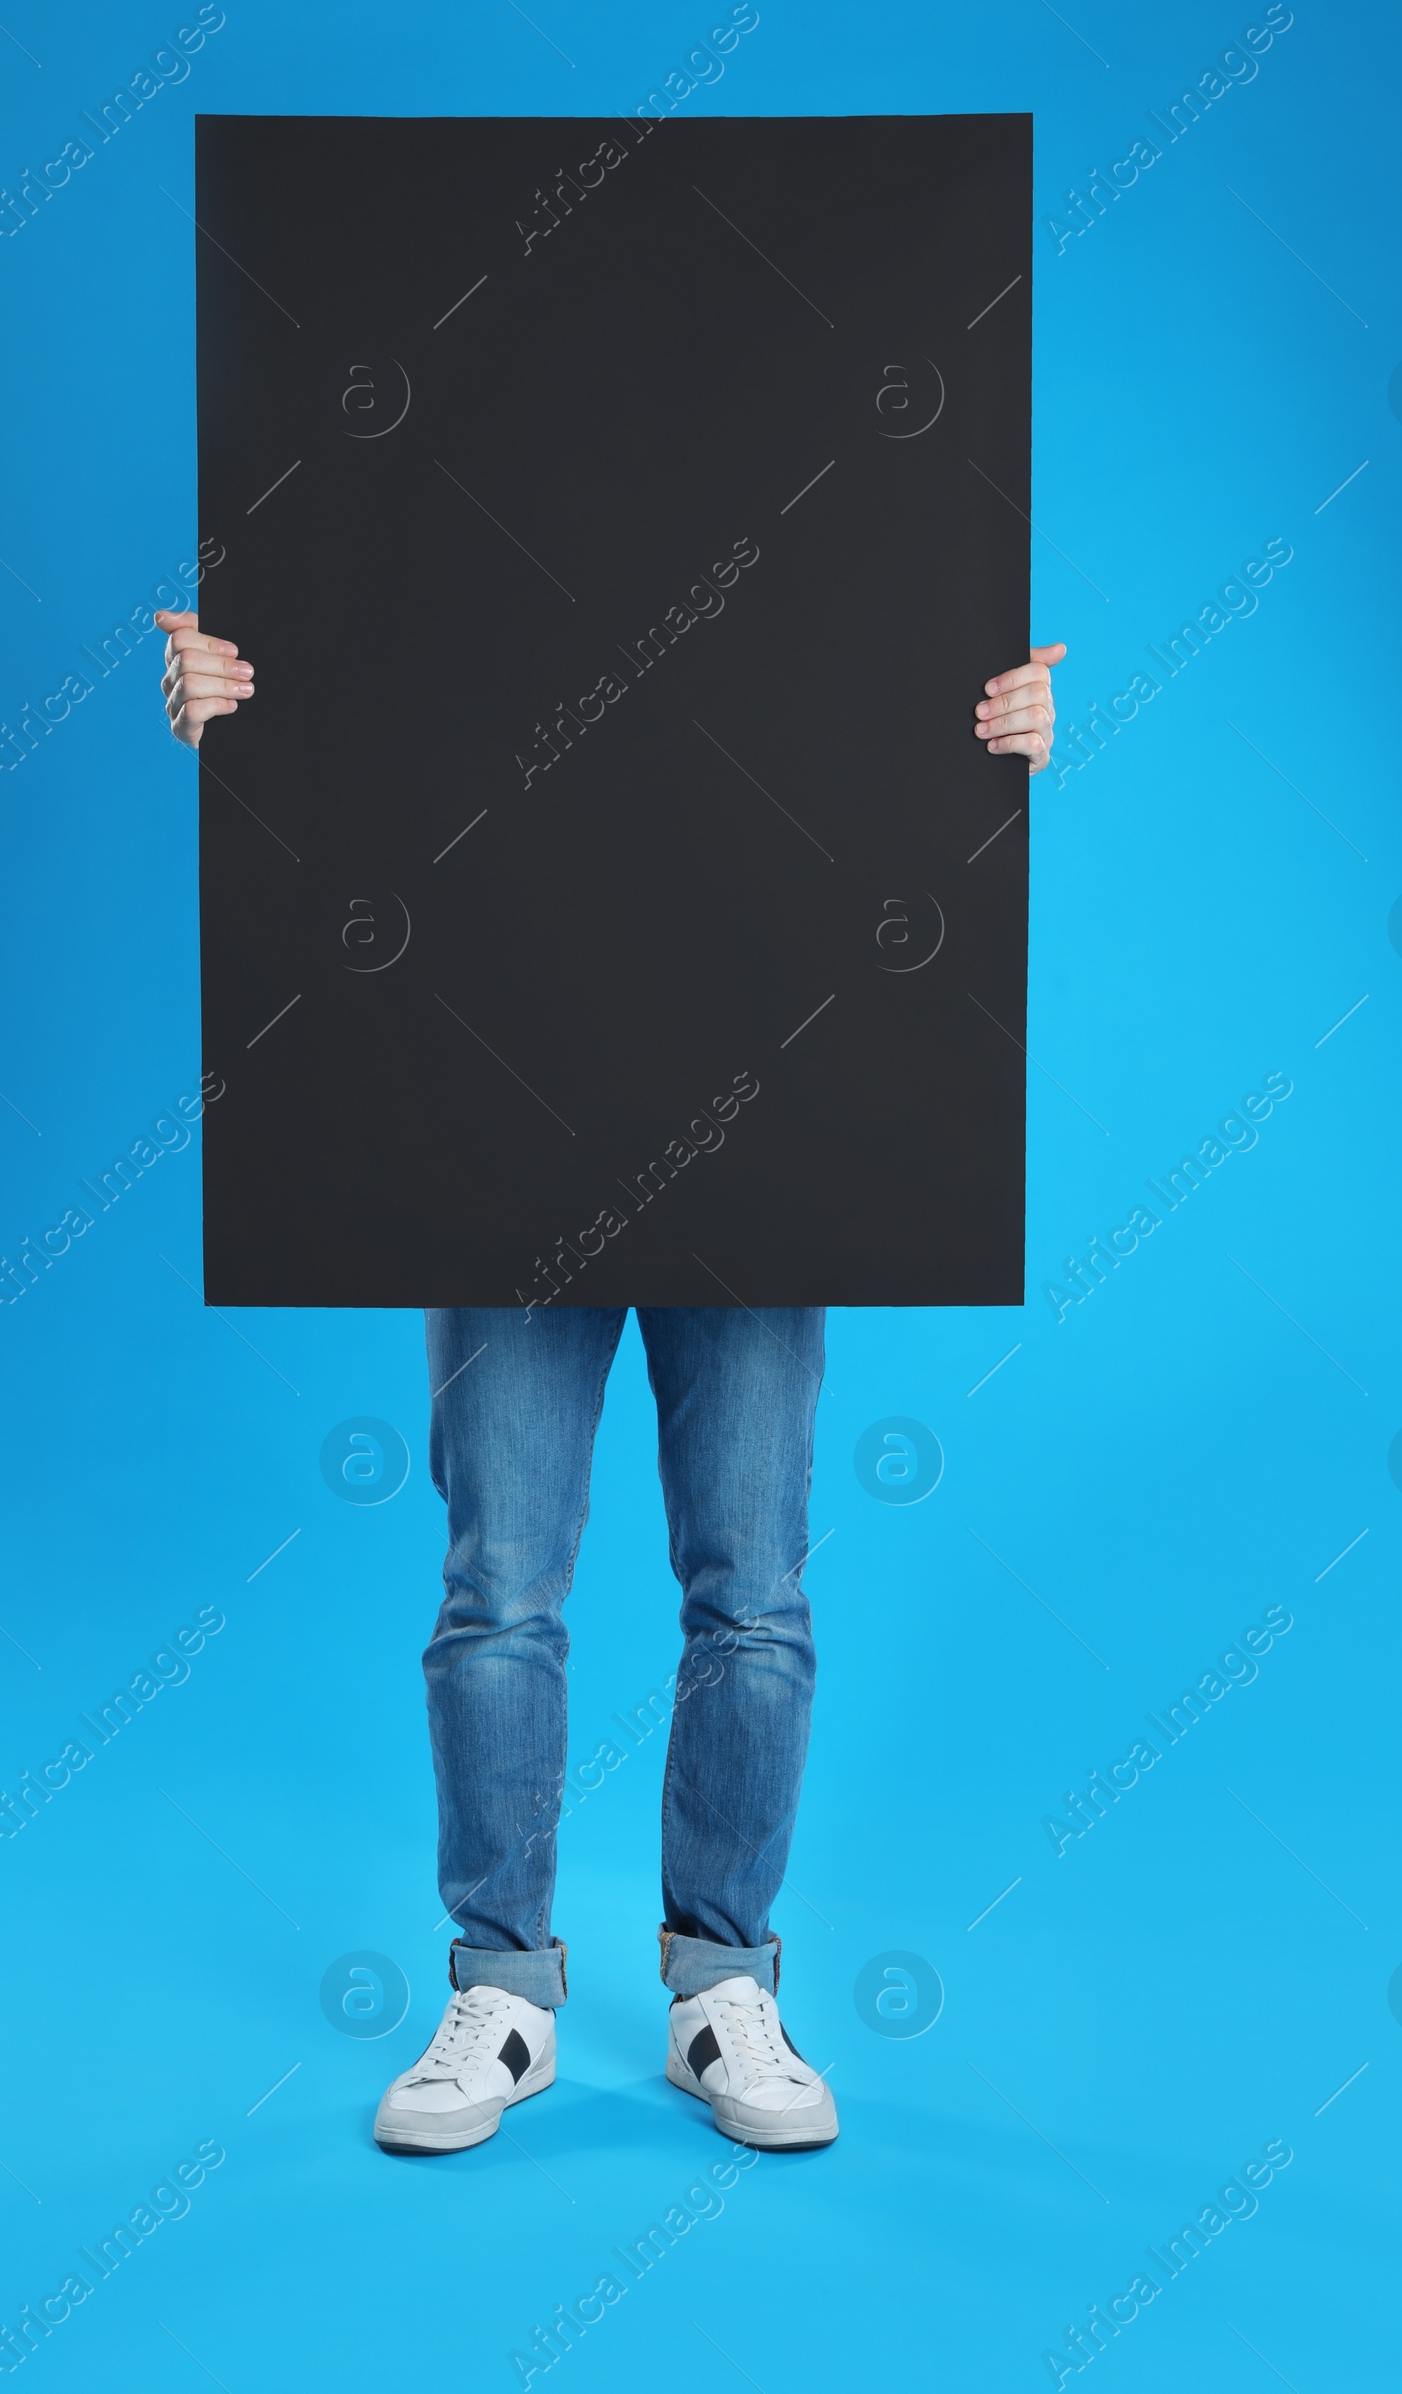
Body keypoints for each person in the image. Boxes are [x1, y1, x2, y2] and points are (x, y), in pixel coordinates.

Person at [158, 604, 1063, 2154]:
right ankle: (503, 1991)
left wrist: (979, 736)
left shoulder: (830, 460)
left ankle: (722, 1989)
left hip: (768, 1104)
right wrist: (243, 700)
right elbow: (383, 670)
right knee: (498, 1585)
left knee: (754, 1587)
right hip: (501, 1108)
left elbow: (860, 689)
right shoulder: (444, 459)